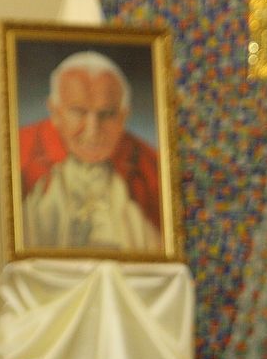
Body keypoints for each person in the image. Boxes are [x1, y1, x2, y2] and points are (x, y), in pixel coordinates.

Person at [20, 51, 162, 250]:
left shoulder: (151, 167)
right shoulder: (20, 153)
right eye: (79, 111)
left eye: (107, 114)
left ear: (123, 117)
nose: (93, 130)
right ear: (55, 112)